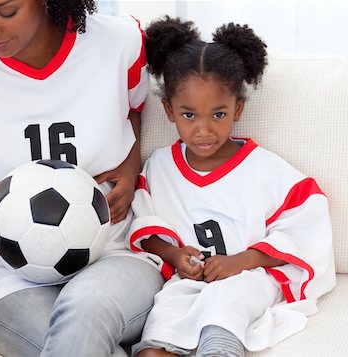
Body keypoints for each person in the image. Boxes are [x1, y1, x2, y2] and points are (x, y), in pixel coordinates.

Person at [0, 1, 164, 356]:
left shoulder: (120, 42)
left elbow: (131, 110)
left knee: (84, 315)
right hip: (4, 277)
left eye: (5, 11)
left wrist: (131, 167)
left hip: (115, 254)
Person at [125, 16, 336, 357]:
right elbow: (146, 227)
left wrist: (243, 259)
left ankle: (220, 349)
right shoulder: (160, 168)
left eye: (218, 114)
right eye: (189, 115)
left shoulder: (264, 169)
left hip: (248, 278)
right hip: (189, 282)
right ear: (169, 110)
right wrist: (176, 255)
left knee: (228, 303)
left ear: (238, 108)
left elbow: (304, 219)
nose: (204, 130)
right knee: (160, 328)